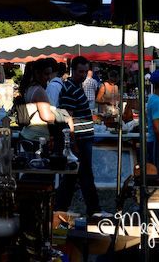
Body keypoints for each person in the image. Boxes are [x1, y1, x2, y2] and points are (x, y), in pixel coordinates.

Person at [55, 56, 105, 217]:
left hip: (83, 137)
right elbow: (68, 117)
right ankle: (94, 210)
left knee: (73, 177)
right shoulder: (70, 88)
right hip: (80, 140)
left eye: (85, 72)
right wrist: (73, 141)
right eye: (80, 72)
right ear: (73, 70)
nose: (83, 75)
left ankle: (60, 209)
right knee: (85, 175)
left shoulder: (76, 86)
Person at [18, 59, 72, 148]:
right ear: (37, 73)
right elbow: (46, 116)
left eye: (50, 74)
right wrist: (64, 115)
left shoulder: (30, 88)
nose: (49, 77)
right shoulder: (39, 90)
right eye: (46, 74)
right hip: (36, 138)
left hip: (29, 135)